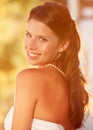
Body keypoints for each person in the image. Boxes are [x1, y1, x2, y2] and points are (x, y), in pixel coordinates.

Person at [4, 1, 89, 130]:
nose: (31, 45)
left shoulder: (29, 78)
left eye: (42, 39)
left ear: (63, 45)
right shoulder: (69, 87)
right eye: (28, 35)